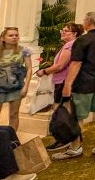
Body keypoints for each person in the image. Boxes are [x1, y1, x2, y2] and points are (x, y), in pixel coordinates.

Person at [53, 12, 95, 161]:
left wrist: (68, 84)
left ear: (88, 22)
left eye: (84, 20)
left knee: (77, 116)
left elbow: (76, 63)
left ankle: (75, 148)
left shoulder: (82, 40)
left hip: (84, 84)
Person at [36, 22, 84, 150]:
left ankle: (66, 140)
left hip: (63, 82)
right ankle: (71, 139)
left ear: (74, 34)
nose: (62, 32)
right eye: (62, 30)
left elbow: (60, 66)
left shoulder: (69, 45)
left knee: (63, 114)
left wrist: (44, 71)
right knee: (67, 112)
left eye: (66, 31)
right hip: (64, 81)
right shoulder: (71, 44)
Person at [0, 27, 32, 131]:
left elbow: (29, 68)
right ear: (3, 38)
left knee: (14, 114)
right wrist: (5, 68)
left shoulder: (24, 51)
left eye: (16, 35)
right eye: (11, 35)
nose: (14, 37)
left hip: (16, 86)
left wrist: (26, 87)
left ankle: (12, 137)